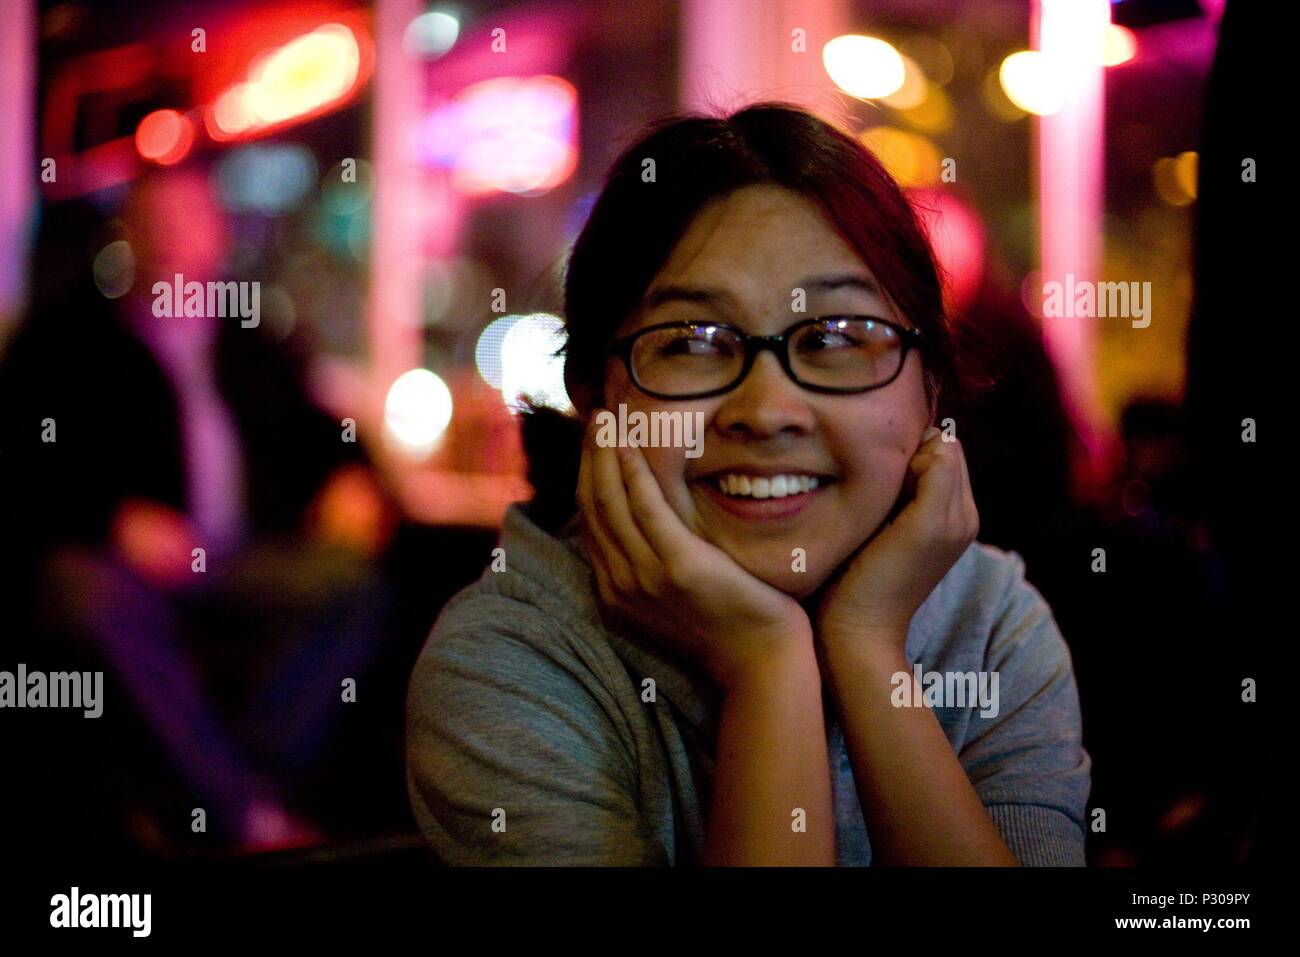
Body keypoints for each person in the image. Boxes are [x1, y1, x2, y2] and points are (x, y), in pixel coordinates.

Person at [405, 103, 1090, 865]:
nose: (766, 411)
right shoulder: (509, 667)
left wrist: (866, 646)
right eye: (693, 342)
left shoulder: (991, 628)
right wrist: (767, 664)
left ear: (932, 390)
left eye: (835, 338)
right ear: (596, 398)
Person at [0, 165, 396, 853]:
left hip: (240, 563)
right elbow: (20, 465)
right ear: (127, 234)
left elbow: (324, 430)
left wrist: (354, 477)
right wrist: (111, 521)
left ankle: (234, 789)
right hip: (123, 573)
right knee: (79, 589)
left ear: (218, 236)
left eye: (188, 221)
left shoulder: (252, 345)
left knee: (352, 585)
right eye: (155, 221)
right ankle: (239, 817)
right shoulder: (66, 339)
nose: (172, 240)